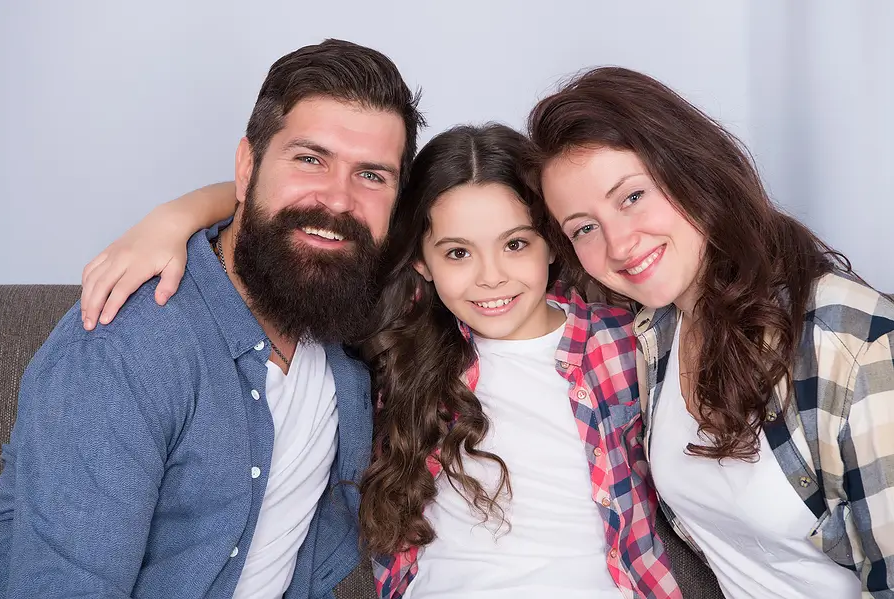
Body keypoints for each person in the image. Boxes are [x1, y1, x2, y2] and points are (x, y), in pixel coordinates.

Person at [71, 124, 683, 598]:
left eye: (516, 244)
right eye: (458, 252)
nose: (491, 277)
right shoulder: (399, 345)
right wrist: (175, 218)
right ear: (421, 261)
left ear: (554, 242)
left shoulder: (627, 339)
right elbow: (288, 221)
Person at [0, 38, 423, 599]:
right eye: (310, 159)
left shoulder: (359, 312)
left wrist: (184, 210)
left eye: (371, 175)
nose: (337, 200)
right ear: (247, 166)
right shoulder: (130, 343)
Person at [528, 66, 894, 598]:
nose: (619, 243)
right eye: (584, 227)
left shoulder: (850, 343)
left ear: (692, 171)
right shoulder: (655, 331)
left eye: (631, 197)